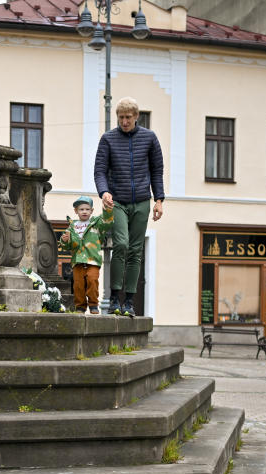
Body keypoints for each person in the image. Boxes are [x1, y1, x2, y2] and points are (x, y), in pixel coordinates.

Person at [93, 97, 164, 317]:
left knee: (136, 250)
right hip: (118, 201)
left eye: (128, 117)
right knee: (121, 244)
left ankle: (129, 301)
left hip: (142, 200)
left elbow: (157, 170)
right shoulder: (108, 139)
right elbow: (100, 170)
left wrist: (159, 199)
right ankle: (115, 296)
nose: (124, 121)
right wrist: (104, 191)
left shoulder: (150, 138)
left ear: (136, 117)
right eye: (121, 117)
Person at [59, 196, 113, 313]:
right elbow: (66, 246)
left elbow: (107, 222)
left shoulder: (96, 224)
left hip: (92, 260)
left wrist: (107, 210)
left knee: (92, 281)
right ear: (76, 211)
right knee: (78, 285)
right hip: (77, 260)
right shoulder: (72, 226)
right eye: (81, 209)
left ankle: (93, 304)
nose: (84, 211)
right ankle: (80, 306)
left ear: (91, 211)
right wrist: (64, 240)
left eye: (87, 209)